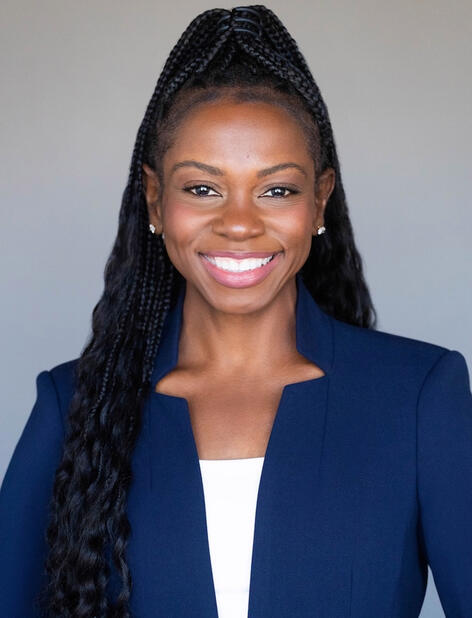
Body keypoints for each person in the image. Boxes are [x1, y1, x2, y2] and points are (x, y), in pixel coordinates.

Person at [0, 4, 471, 617]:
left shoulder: (418, 396)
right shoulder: (74, 407)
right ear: (155, 199)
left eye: (277, 189)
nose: (240, 223)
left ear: (319, 200)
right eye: (203, 188)